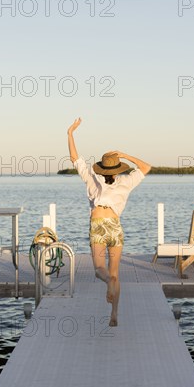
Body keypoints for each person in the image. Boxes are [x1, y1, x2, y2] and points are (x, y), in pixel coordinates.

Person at [67, 117, 151, 326]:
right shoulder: (126, 181)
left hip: (98, 225)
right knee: (115, 273)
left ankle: (108, 282)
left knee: (99, 270)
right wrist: (125, 155)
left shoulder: (92, 179)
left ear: (102, 168)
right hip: (115, 227)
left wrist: (70, 133)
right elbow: (146, 167)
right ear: (118, 168)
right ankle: (114, 314)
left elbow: (75, 159)